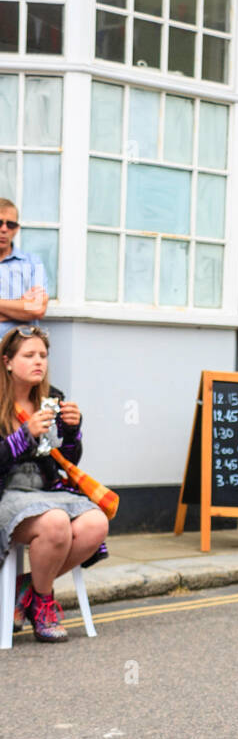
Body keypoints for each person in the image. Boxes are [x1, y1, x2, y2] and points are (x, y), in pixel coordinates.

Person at [0, 326, 109, 641]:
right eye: (29, 355)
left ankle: (27, 590)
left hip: (46, 492)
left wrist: (73, 431)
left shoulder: (53, 398)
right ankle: (43, 603)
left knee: (95, 523)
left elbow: (68, 461)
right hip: (7, 494)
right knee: (56, 522)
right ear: (7, 361)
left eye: (43, 355)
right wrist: (24, 435)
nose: (39, 362)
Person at [0, 198, 48, 326]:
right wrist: (19, 305)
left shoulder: (32, 263)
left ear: (16, 229)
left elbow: (37, 308)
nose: (4, 229)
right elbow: (30, 308)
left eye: (10, 225)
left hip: (21, 343)